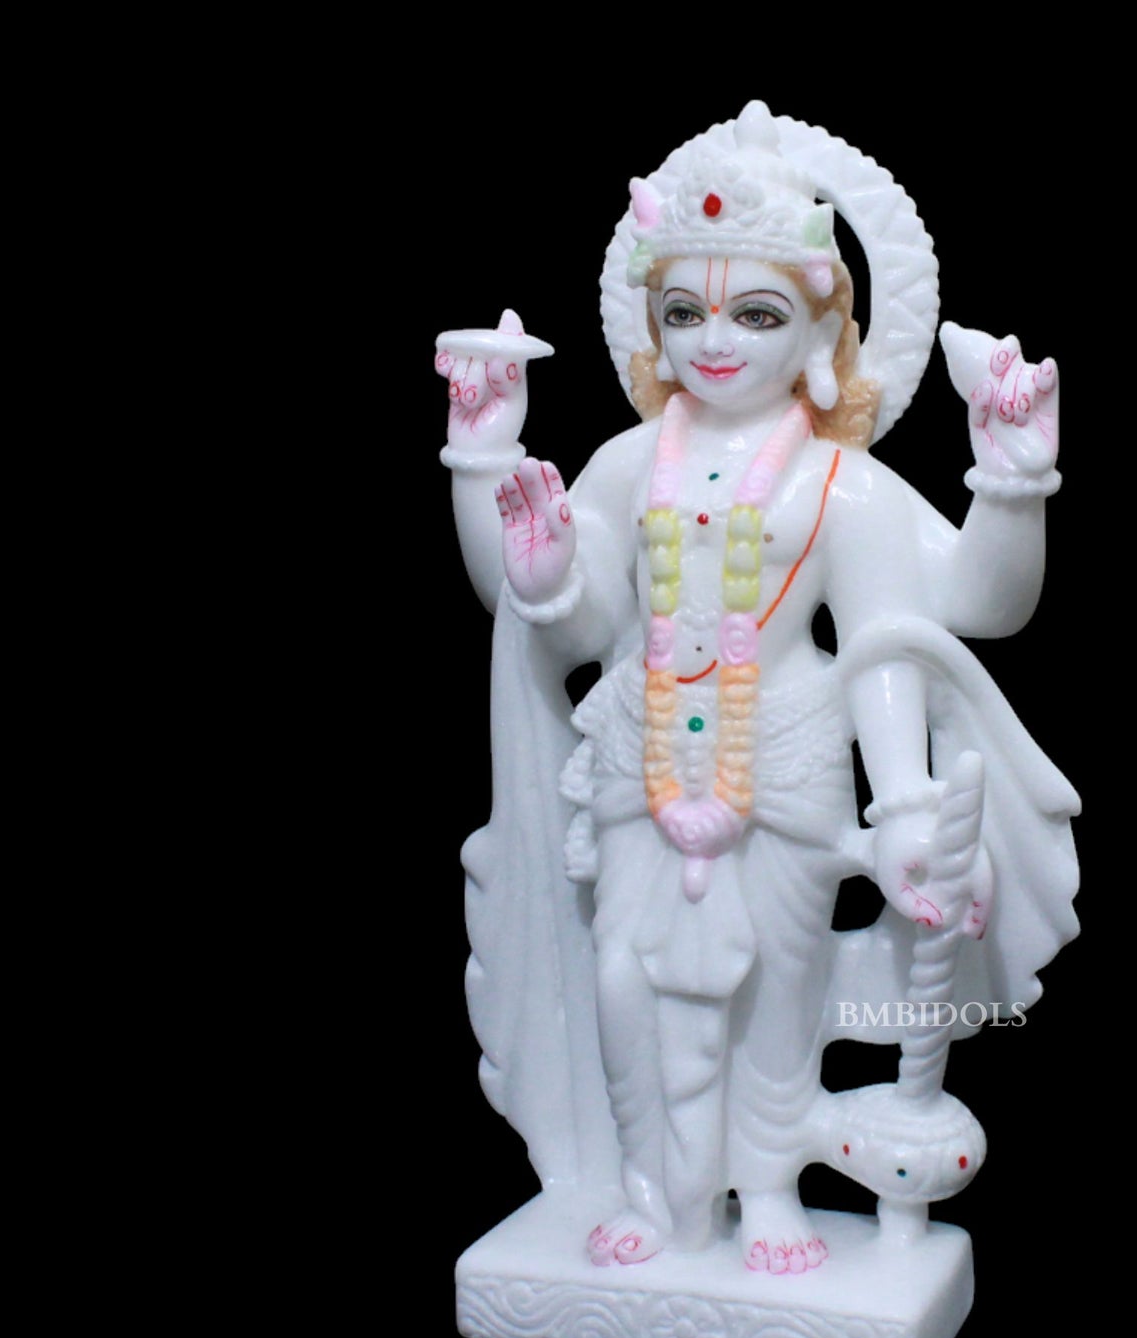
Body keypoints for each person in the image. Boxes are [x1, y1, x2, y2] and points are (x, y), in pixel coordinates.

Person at [438, 102, 1078, 1277]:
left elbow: (951, 613)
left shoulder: (842, 485)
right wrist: (493, 481)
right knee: (623, 981)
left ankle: (771, 1190)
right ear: (653, 326)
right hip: (640, 762)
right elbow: (564, 618)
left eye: (757, 314)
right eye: (684, 312)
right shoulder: (629, 464)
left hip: (782, 760)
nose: (715, 340)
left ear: (824, 334)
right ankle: (654, 1192)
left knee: (779, 991)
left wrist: (1012, 477)